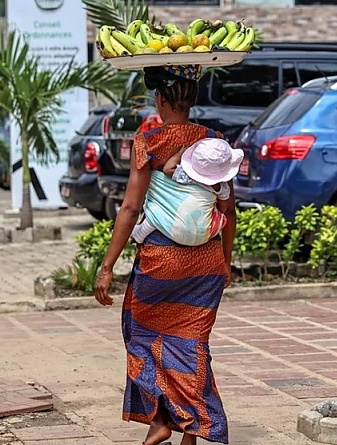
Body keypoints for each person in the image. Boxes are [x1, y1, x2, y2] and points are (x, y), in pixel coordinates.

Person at [93, 65, 236, 445]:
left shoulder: (148, 142)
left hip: (161, 261)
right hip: (206, 264)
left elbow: (129, 209)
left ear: (159, 100)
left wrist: (107, 267)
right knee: (192, 343)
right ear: (192, 100)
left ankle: (159, 420)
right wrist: (226, 260)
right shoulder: (215, 142)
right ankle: (191, 428)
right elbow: (228, 211)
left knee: (141, 335)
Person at [130, 137, 242, 246]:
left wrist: (179, 154)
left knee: (159, 210)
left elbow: (167, 169)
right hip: (206, 234)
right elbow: (224, 207)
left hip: (174, 228)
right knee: (217, 215)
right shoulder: (222, 187)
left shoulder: (186, 176)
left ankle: (141, 233)